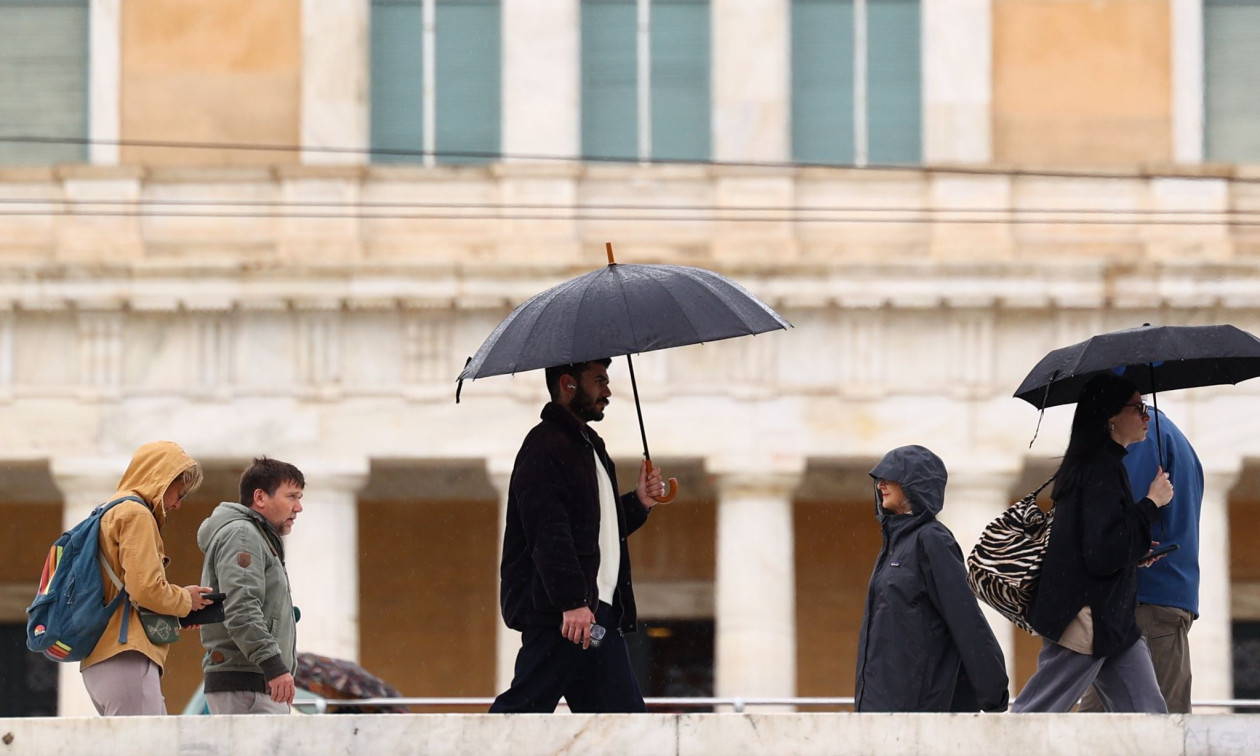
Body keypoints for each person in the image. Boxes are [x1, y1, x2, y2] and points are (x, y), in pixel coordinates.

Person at [489, 358, 667, 713]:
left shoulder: (588, 446)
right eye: (599, 381)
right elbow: (547, 532)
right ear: (568, 384)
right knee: (521, 714)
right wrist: (571, 602)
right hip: (564, 617)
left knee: (624, 725)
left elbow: (594, 528)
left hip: (595, 616)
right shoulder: (545, 445)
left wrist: (639, 502)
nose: (608, 391)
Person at [1012, 373, 1173, 712]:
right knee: (1036, 714)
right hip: (1086, 617)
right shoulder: (1100, 468)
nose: (1147, 416)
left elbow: (1097, 544)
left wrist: (1134, 554)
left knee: (1149, 717)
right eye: (1138, 407)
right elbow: (1101, 553)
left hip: (1112, 619)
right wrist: (1151, 503)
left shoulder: (1102, 465)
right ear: (1111, 416)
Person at [854, 445, 1010, 712]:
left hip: (915, 709)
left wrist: (993, 694)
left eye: (890, 477)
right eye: (879, 479)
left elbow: (965, 618)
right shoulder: (892, 544)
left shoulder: (932, 539)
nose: (881, 485)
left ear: (914, 483)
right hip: (877, 705)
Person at [1078, 407, 1203, 713]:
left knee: (1146, 728)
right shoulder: (1174, 437)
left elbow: (1118, 521)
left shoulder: (1142, 437)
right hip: (1159, 600)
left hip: (1143, 603)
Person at [79, 440, 216, 716]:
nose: (178, 504)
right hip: (126, 655)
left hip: (102, 657)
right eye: (179, 493)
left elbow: (124, 592)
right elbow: (145, 590)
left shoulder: (109, 511)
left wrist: (177, 609)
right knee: (147, 739)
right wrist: (185, 600)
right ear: (161, 480)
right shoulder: (136, 513)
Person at [197, 457, 305, 715]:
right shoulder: (243, 535)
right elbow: (242, 608)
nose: (299, 507)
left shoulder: (256, 536)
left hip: (252, 681)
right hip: (248, 685)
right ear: (260, 497)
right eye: (291, 496)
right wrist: (274, 666)